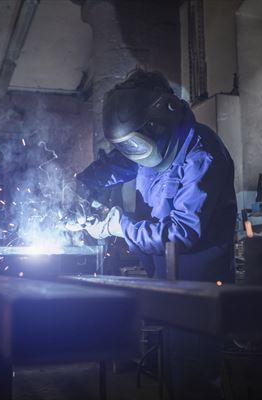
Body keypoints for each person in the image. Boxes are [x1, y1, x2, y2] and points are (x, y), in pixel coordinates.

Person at [75, 69, 237, 399]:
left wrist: (119, 227)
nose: (135, 150)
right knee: (172, 376)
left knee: (194, 380)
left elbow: (181, 233)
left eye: (136, 141)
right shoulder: (153, 144)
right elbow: (119, 164)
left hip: (199, 293)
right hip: (167, 285)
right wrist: (82, 185)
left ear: (164, 116)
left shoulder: (202, 155)